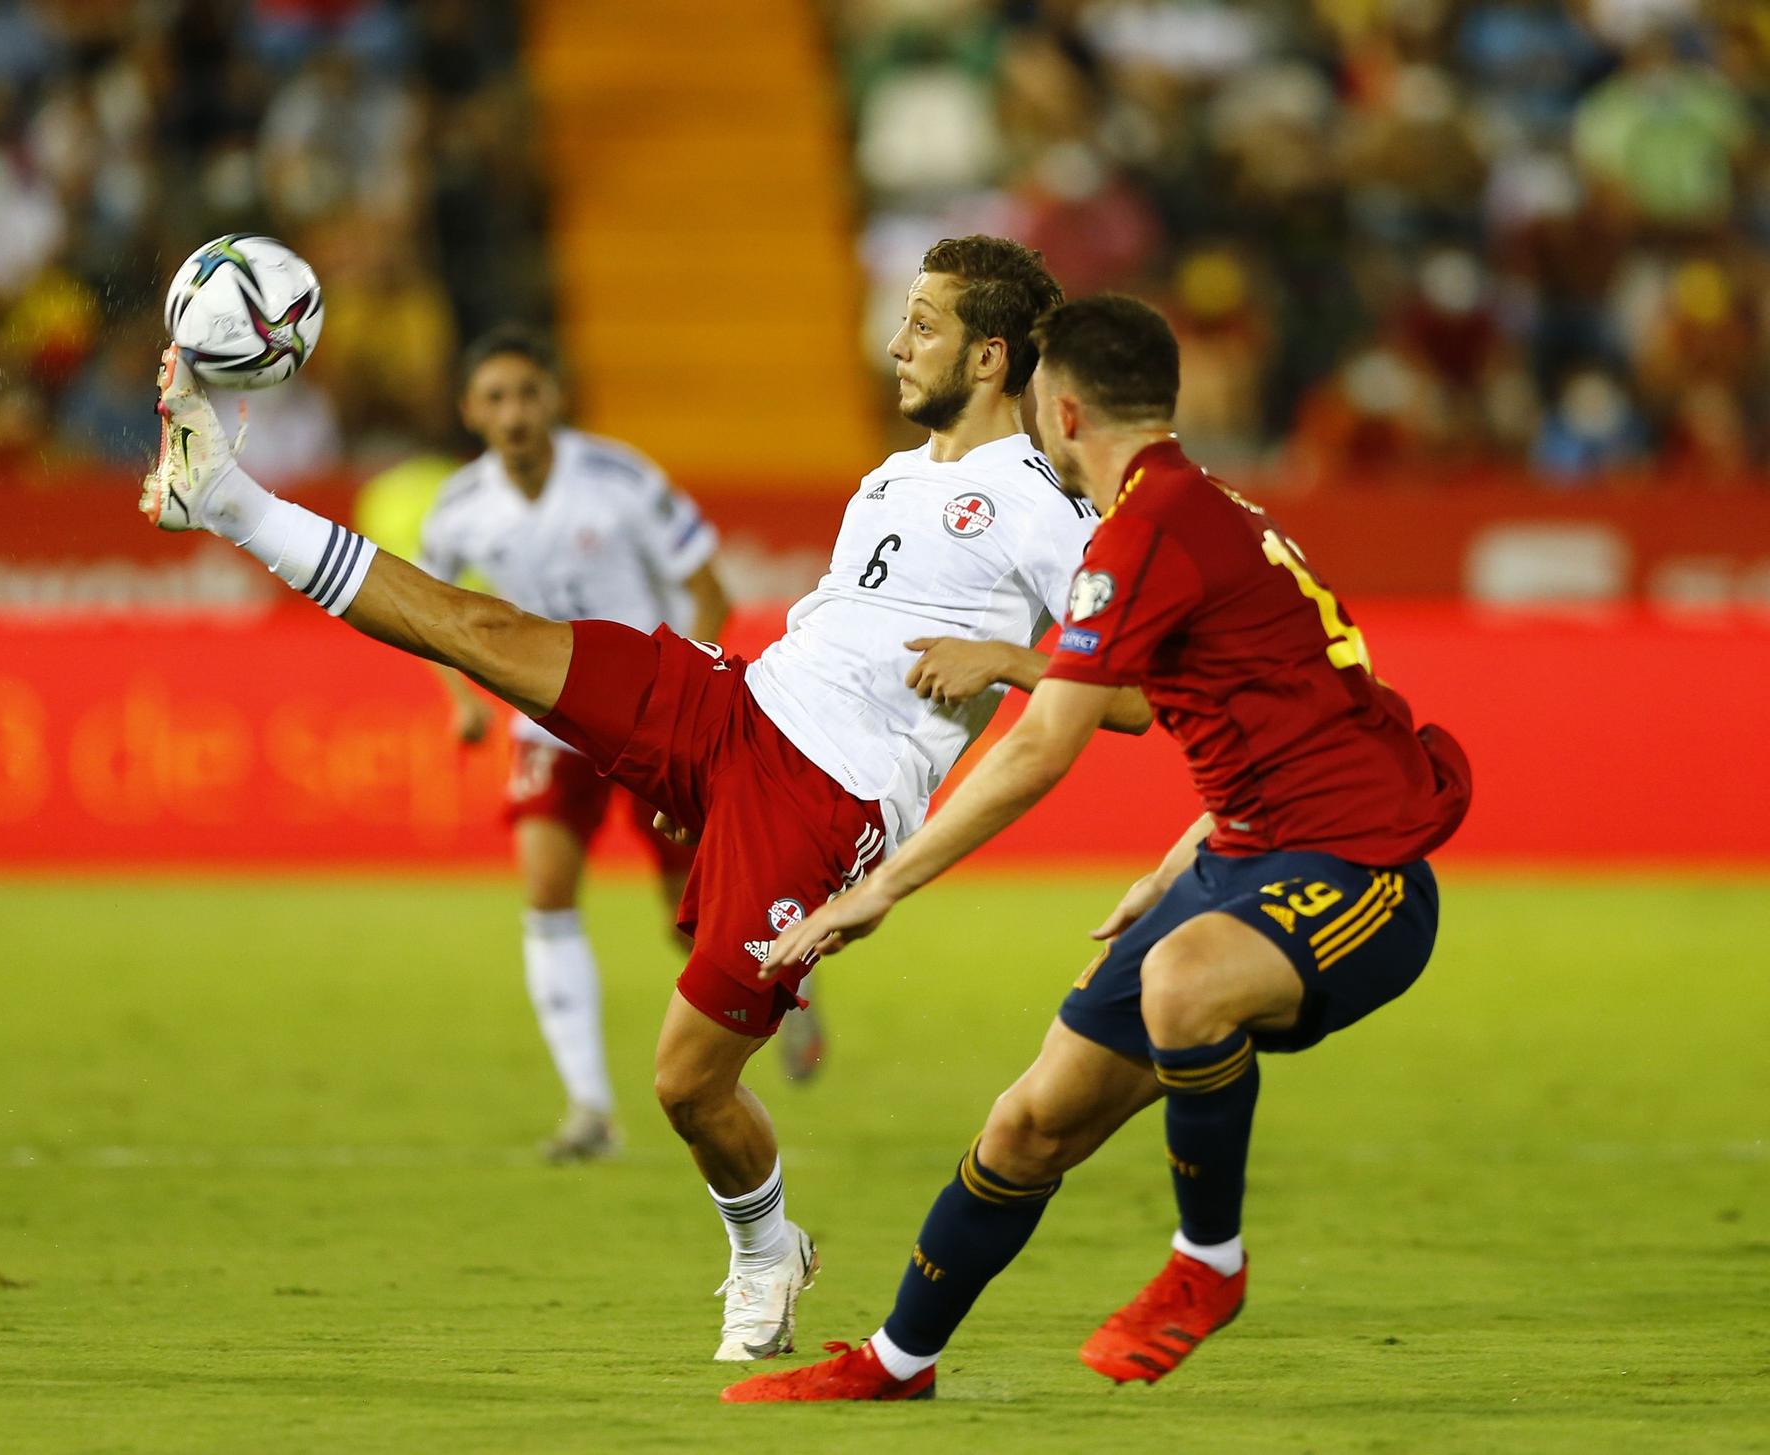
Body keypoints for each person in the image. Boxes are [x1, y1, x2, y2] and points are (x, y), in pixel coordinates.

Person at [136, 236, 1149, 1363]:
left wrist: (1001, 663)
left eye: (922, 324)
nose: (896, 343)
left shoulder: (1044, 506)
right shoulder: (894, 474)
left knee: (685, 1085)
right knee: (488, 633)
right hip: (735, 712)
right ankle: (224, 495)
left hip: (825, 810)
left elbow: (1135, 697)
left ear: (990, 354)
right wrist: (706, 782)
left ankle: (767, 1247)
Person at [719, 294, 1472, 1403]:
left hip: (1362, 872)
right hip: (1243, 857)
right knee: (1029, 1122)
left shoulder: (1144, 532)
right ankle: (895, 1362)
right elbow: (1270, 724)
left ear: (1058, 411)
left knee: (1182, 985)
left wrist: (875, 891)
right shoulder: (1199, 513)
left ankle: (1204, 1266)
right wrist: (1172, 872)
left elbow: (1039, 754)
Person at [417, 324, 737, 1163]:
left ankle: (784, 991)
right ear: (469, 412)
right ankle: (590, 1108)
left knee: (695, 918)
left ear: (553, 398)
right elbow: (430, 620)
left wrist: (692, 692)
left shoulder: (620, 479)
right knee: (547, 890)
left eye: (526, 393)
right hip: (547, 718)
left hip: (650, 711)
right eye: (495, 398)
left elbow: (710, 589)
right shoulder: (457, 511)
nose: (514, 413)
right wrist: (460, 696)